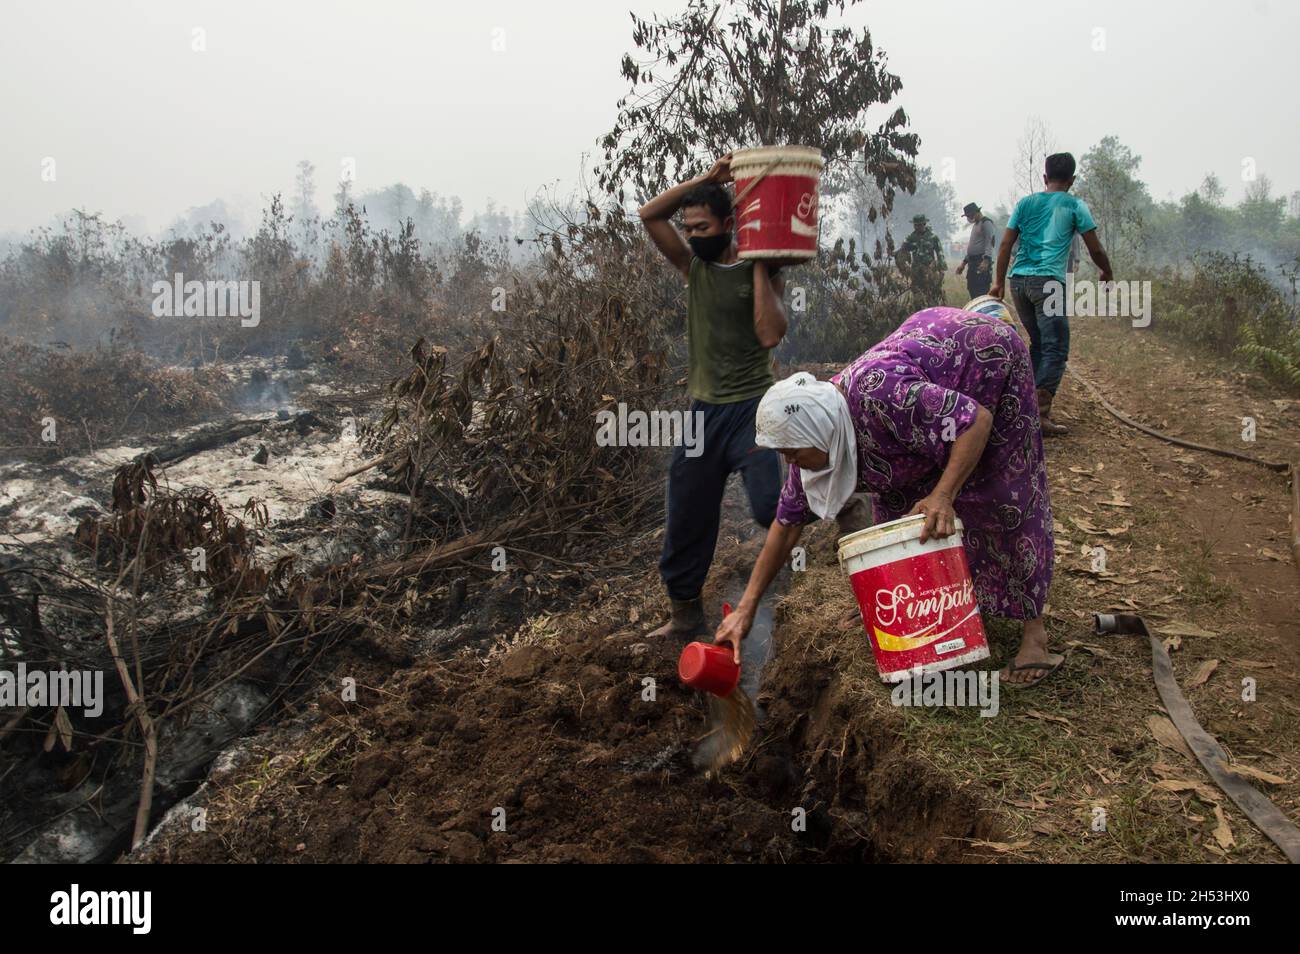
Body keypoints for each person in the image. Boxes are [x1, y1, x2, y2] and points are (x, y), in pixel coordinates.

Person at [713, 306, 1062, 688]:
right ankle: (918, 608)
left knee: (1001, 495)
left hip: (985, 361)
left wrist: (944, 493)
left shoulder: (882, 396)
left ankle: (1035, 635)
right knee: (898, 508)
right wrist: (745, 609)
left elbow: (974, 421)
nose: (788, 462)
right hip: (925, 395)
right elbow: (786, 525)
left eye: (792, 451)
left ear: (820, 431)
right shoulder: (812, 441)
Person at [638, 153, 789, 638]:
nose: (694, 236)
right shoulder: (693, 268)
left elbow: (770, 335)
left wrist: (761, 268)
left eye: (703, 227)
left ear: (728, 224)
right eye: (690, 228)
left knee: (770, 505)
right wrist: (706, 178)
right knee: (687, 512)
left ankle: (835, 519)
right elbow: (649, 215)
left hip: (752, 410)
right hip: (705, 415)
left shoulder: (757, 269)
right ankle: (684, 616)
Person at [990, 152, 1112, 436]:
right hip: (1048, 284)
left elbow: (1006, 245)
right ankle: (1039, 416)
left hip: (1019, 282)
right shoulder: (1075, 205)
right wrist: (1107, 271)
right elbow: (1094, 248)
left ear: (1045, 178)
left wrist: (998, 283)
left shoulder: (1025, 203)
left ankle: (1021, 406)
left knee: (1039, 344)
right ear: (1071, 180)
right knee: (1056, 347)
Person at [897, 214, 946, 305]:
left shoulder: (933, 237)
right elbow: (903, 248)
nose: (917, 227)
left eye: (919, 225)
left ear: (924, 224)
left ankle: (932, 311)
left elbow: (939, 252)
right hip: (916, 269)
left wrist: (941, 267)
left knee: (932, 292)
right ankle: (919, 310)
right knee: (917, 291)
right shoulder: (911, 237)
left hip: (929, 268)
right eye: (915, 225)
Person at [956, 202, 997, 298]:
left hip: (981, 262)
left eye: (970, 215)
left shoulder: (986, 222)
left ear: (976, 212)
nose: (969, 218)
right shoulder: (975, 225)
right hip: (972, 263)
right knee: (972, 288)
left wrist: (986, 261)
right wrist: (963, 263)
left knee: (981, 291)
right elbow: (972, 247)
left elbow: (989, 242)